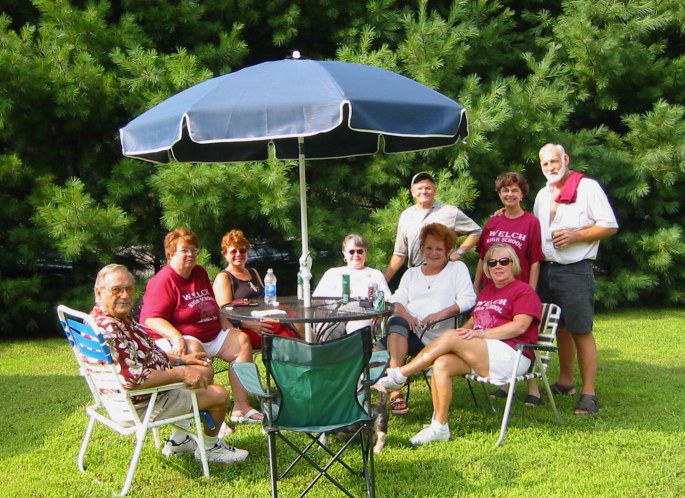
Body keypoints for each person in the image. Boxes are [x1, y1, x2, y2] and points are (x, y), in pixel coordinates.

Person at [376, 244, 541, 445]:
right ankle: (440, 426)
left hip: (513, 355)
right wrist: (468, 331)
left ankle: (400, 374)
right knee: (441, 363)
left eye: (504, 261)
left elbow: (519, 327)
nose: (498, 266)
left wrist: (479, 334)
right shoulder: (488, 292)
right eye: (492, 262)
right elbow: (474, 320)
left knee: (452, 336)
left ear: (513, 264)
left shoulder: (523, 291)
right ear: (487, 268)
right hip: (485, 354)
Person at [90, 264, 248, 463]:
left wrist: (180, 360)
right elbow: (134, 380)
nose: (125, 295)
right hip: (142, 404)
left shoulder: (105, 321)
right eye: (117, 290)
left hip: (126, 398)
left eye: (129, 288)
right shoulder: (110, 329)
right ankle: (209, 449)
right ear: (99, 292)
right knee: (218, 395)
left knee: (197, 369)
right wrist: (181, 374)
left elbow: (145, 354)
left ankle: (179, 441)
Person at [139, 228, 263, 426]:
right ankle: (212, 412)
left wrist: (229, 327)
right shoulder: (163, 280)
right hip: (183, 339)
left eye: (194, 250)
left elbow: (212, 305)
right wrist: (176, 336)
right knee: (196, 350)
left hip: (211, 333)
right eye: (184, 250)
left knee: (241, 341)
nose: (191, 255)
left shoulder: (199, 272)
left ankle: (241, 406)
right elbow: (150, 319)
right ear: (171, 253)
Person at [533, 143, 618, 415]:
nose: (550, 167)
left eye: (554, 161)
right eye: (545, 164)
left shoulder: (587, 187)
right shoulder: (542, 195)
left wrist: (576, 235)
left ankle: (589, 393)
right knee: (559, 327)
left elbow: (610, 225)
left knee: (581, 329)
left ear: (566, 159)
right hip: (546, 270)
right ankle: (566, 381)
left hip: (575, 269)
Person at [380, 223, 476, 415]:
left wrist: (439, 314)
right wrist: (408, 315)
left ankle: (394, 385)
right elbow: (396, 300)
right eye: (429, 248)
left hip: (439, 338)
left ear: (448, 250)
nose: (433, 253)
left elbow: (468, 299)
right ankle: (396, 387)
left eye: (439, 249)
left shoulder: (457, 269)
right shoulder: (411, 273)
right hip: (409, 331)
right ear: (422, 249)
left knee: (382, 348)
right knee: (385, 335)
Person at [473, 171, 544, 406]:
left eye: (514, 190)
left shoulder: (531, 222)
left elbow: (535, 259)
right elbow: (483, 257)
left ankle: (533, 386)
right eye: (505, 190)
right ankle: (506, 383)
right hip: (491, 290)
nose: (510, 194)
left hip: (518, 290)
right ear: (500, 194)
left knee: (519, 334)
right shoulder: (493, 222)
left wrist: (531, 290)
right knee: (497, 331)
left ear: (522, 194)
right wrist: (476, 286)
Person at [384, 171, 482, 283]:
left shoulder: (450, 212)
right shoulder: (406, 215)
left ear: (435, 191)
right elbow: (399, 254)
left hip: (444, 274)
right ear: (412, 192)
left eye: (428, 188)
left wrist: (458, 252)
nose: (424, 191)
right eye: (419, 188)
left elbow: (477, 231)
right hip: (416, 276)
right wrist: (384, 281)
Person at [212, 229, 300, 349]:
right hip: (245, 328)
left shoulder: (253, 272)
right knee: (289, 337)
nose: (238, 254)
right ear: (225, 255)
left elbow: (266, 299)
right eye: (233, 251)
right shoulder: (224, 278)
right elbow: (225, 313)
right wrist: (249, 324)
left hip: (267, 321)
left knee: (294, 330)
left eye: (242, 250)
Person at [311, 233, 392, 341]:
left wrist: (379, 311)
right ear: (344, 253)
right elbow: (316, 300)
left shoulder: (376, 274)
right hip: (334, 314)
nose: (356, 255)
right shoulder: (332, 273)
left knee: (357, 338)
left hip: (362, 314)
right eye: (351, 251)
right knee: (324, 334)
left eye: (360, 251)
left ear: (365, 253)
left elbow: (387, 298)